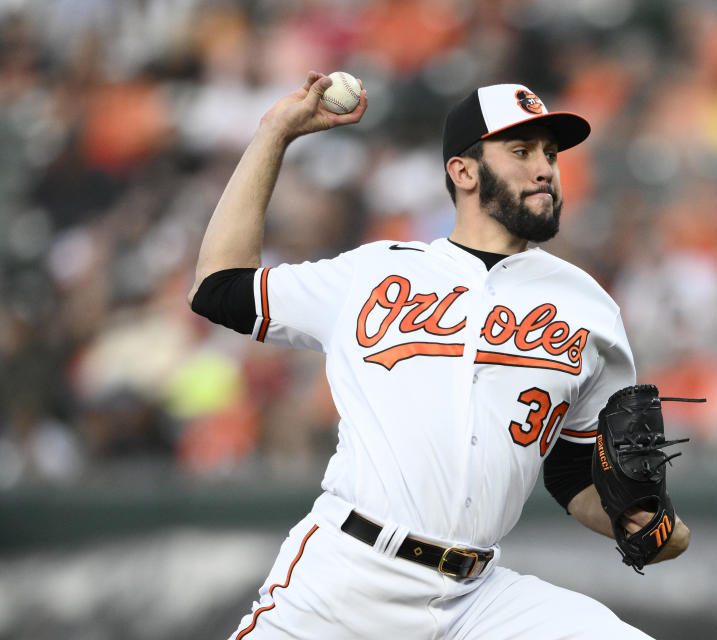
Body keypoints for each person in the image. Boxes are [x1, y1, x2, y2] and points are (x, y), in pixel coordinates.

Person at [189, 71, 690, 640]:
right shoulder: (376, 271)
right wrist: (274, 132)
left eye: (550, 153)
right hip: (349, 577)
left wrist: (637, 523)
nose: (545, 168)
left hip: (477, 597)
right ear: (464, 171)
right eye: (521, 150)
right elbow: (218, 286)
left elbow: (572, 471)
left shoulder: (589, 306)